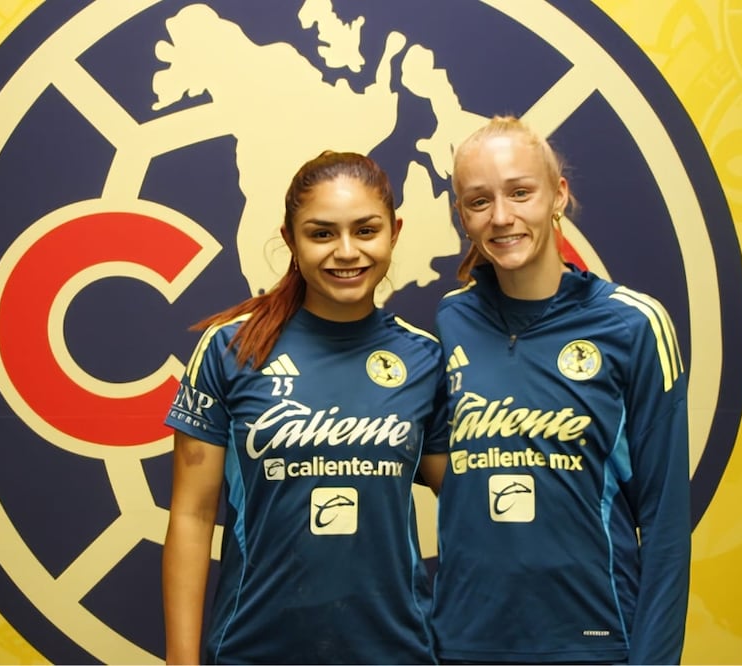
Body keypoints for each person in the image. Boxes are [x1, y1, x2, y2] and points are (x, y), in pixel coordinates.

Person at [161, 150, 449, 665]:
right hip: (255, 649)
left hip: (396, 650)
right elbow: (191, 514)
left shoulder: (425, 358)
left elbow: (467, 499)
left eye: (365, 230)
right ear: (291, 239)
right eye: (321, 233)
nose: (346, 251)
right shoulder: (231, 349)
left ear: (395, 231)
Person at [429, 116, 691, 664]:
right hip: (463, 645)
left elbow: (666, 527)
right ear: (462, 215)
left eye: (520, 192)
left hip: (592, 643)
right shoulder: (451, 320)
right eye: (479, 201)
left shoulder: (633, 325)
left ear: (558, 196)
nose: (502, 217)